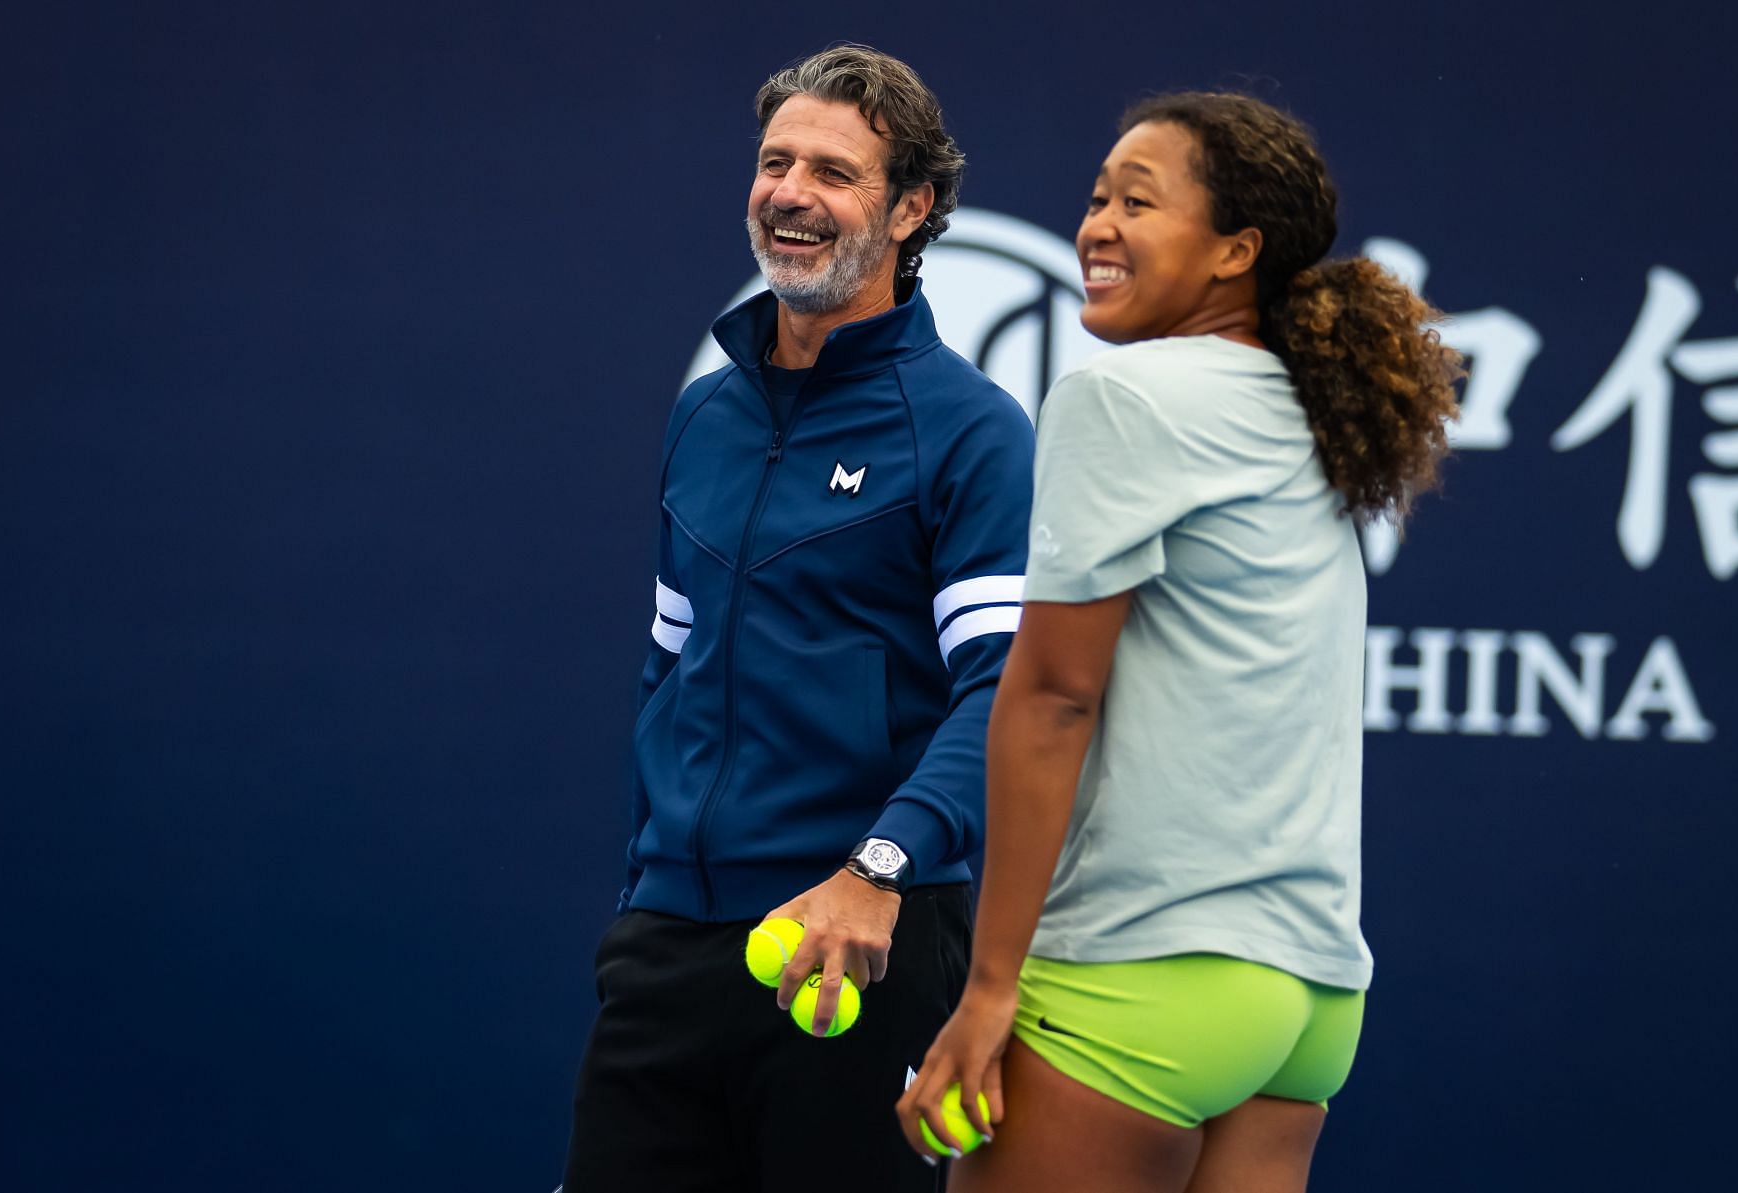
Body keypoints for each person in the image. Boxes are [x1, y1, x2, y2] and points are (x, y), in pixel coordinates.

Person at [896, 91, 1461, 1192]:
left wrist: (990, 987)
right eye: (1098, 196)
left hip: (1137, 979)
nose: (1097, 226)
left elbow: (1055, 697)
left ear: (1234, 252)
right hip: (1304, 1001)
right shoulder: (1315, 411)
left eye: (1138, 202)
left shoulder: (1128, 398)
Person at [562, 45, 1035, 1193]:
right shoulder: (705, 416)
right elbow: (670, 668)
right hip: (669, 948)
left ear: (911, 208)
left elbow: (1007, 694)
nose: (790, 193)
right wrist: (646, 894)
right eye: (776, 163)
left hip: (859, 946)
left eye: (833, 171)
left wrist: (880, 864)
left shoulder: (972, 432)